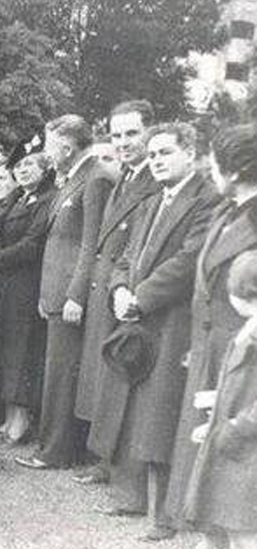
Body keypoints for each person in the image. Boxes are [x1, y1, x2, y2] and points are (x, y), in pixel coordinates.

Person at [90, 123, 218, 542]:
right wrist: (120, 288)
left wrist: (139, 297)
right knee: (136, 405)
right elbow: (126, 257)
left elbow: (186, 262)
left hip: (174, 321)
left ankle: (167, 512)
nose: (157, 161)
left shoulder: (205, 201)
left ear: (190, 153)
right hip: (140, 315)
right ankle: (135, 496)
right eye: (154, 155)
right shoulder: (150, 202)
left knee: (163, 413)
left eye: (165, 153)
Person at [166, 123, 257, 527]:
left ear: (235, 170)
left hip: (244, 359)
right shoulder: (224, 210)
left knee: (234, 480)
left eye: (215, 162)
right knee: (204, 477)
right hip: (210, 348)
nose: (210, 169)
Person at [17, 115, 114, 470]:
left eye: (48, 144)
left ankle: (57, 451)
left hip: (71, 295)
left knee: (62, 373)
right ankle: (56, 447)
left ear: (67, 146)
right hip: (55, 291)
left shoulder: (97, 178)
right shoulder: (76, 177)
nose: (46, 152)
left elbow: (92, 243)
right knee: (57, 371)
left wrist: (75, 295)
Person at [75, 99, 160, 485]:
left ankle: (115, 463)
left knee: (121, 375)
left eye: (132, 133)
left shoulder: (153, 179)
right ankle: (104, 459)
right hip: (108, 284)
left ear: (149, 132)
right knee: (105, 375)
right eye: (117, 135)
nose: (123, 142)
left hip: (127, 289)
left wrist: (124, 288)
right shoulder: (125, 177)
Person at [0, 145, 56, 442]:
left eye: (29, 165)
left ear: (45, 169)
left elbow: (32, 245)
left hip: (25, 286)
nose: (22, 170)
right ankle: (9, 416)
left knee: (21, 352)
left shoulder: (47, 201)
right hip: (3, 288)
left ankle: (20, 420)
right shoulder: (15, 198)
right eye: (18, 166)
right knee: (4, 349)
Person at [182, 250, 257, 549]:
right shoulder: (248, 329)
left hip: (245, 452)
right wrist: (217, 410)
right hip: (233, 448)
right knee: (218, 530)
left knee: (244, 534)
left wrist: (235, 428)